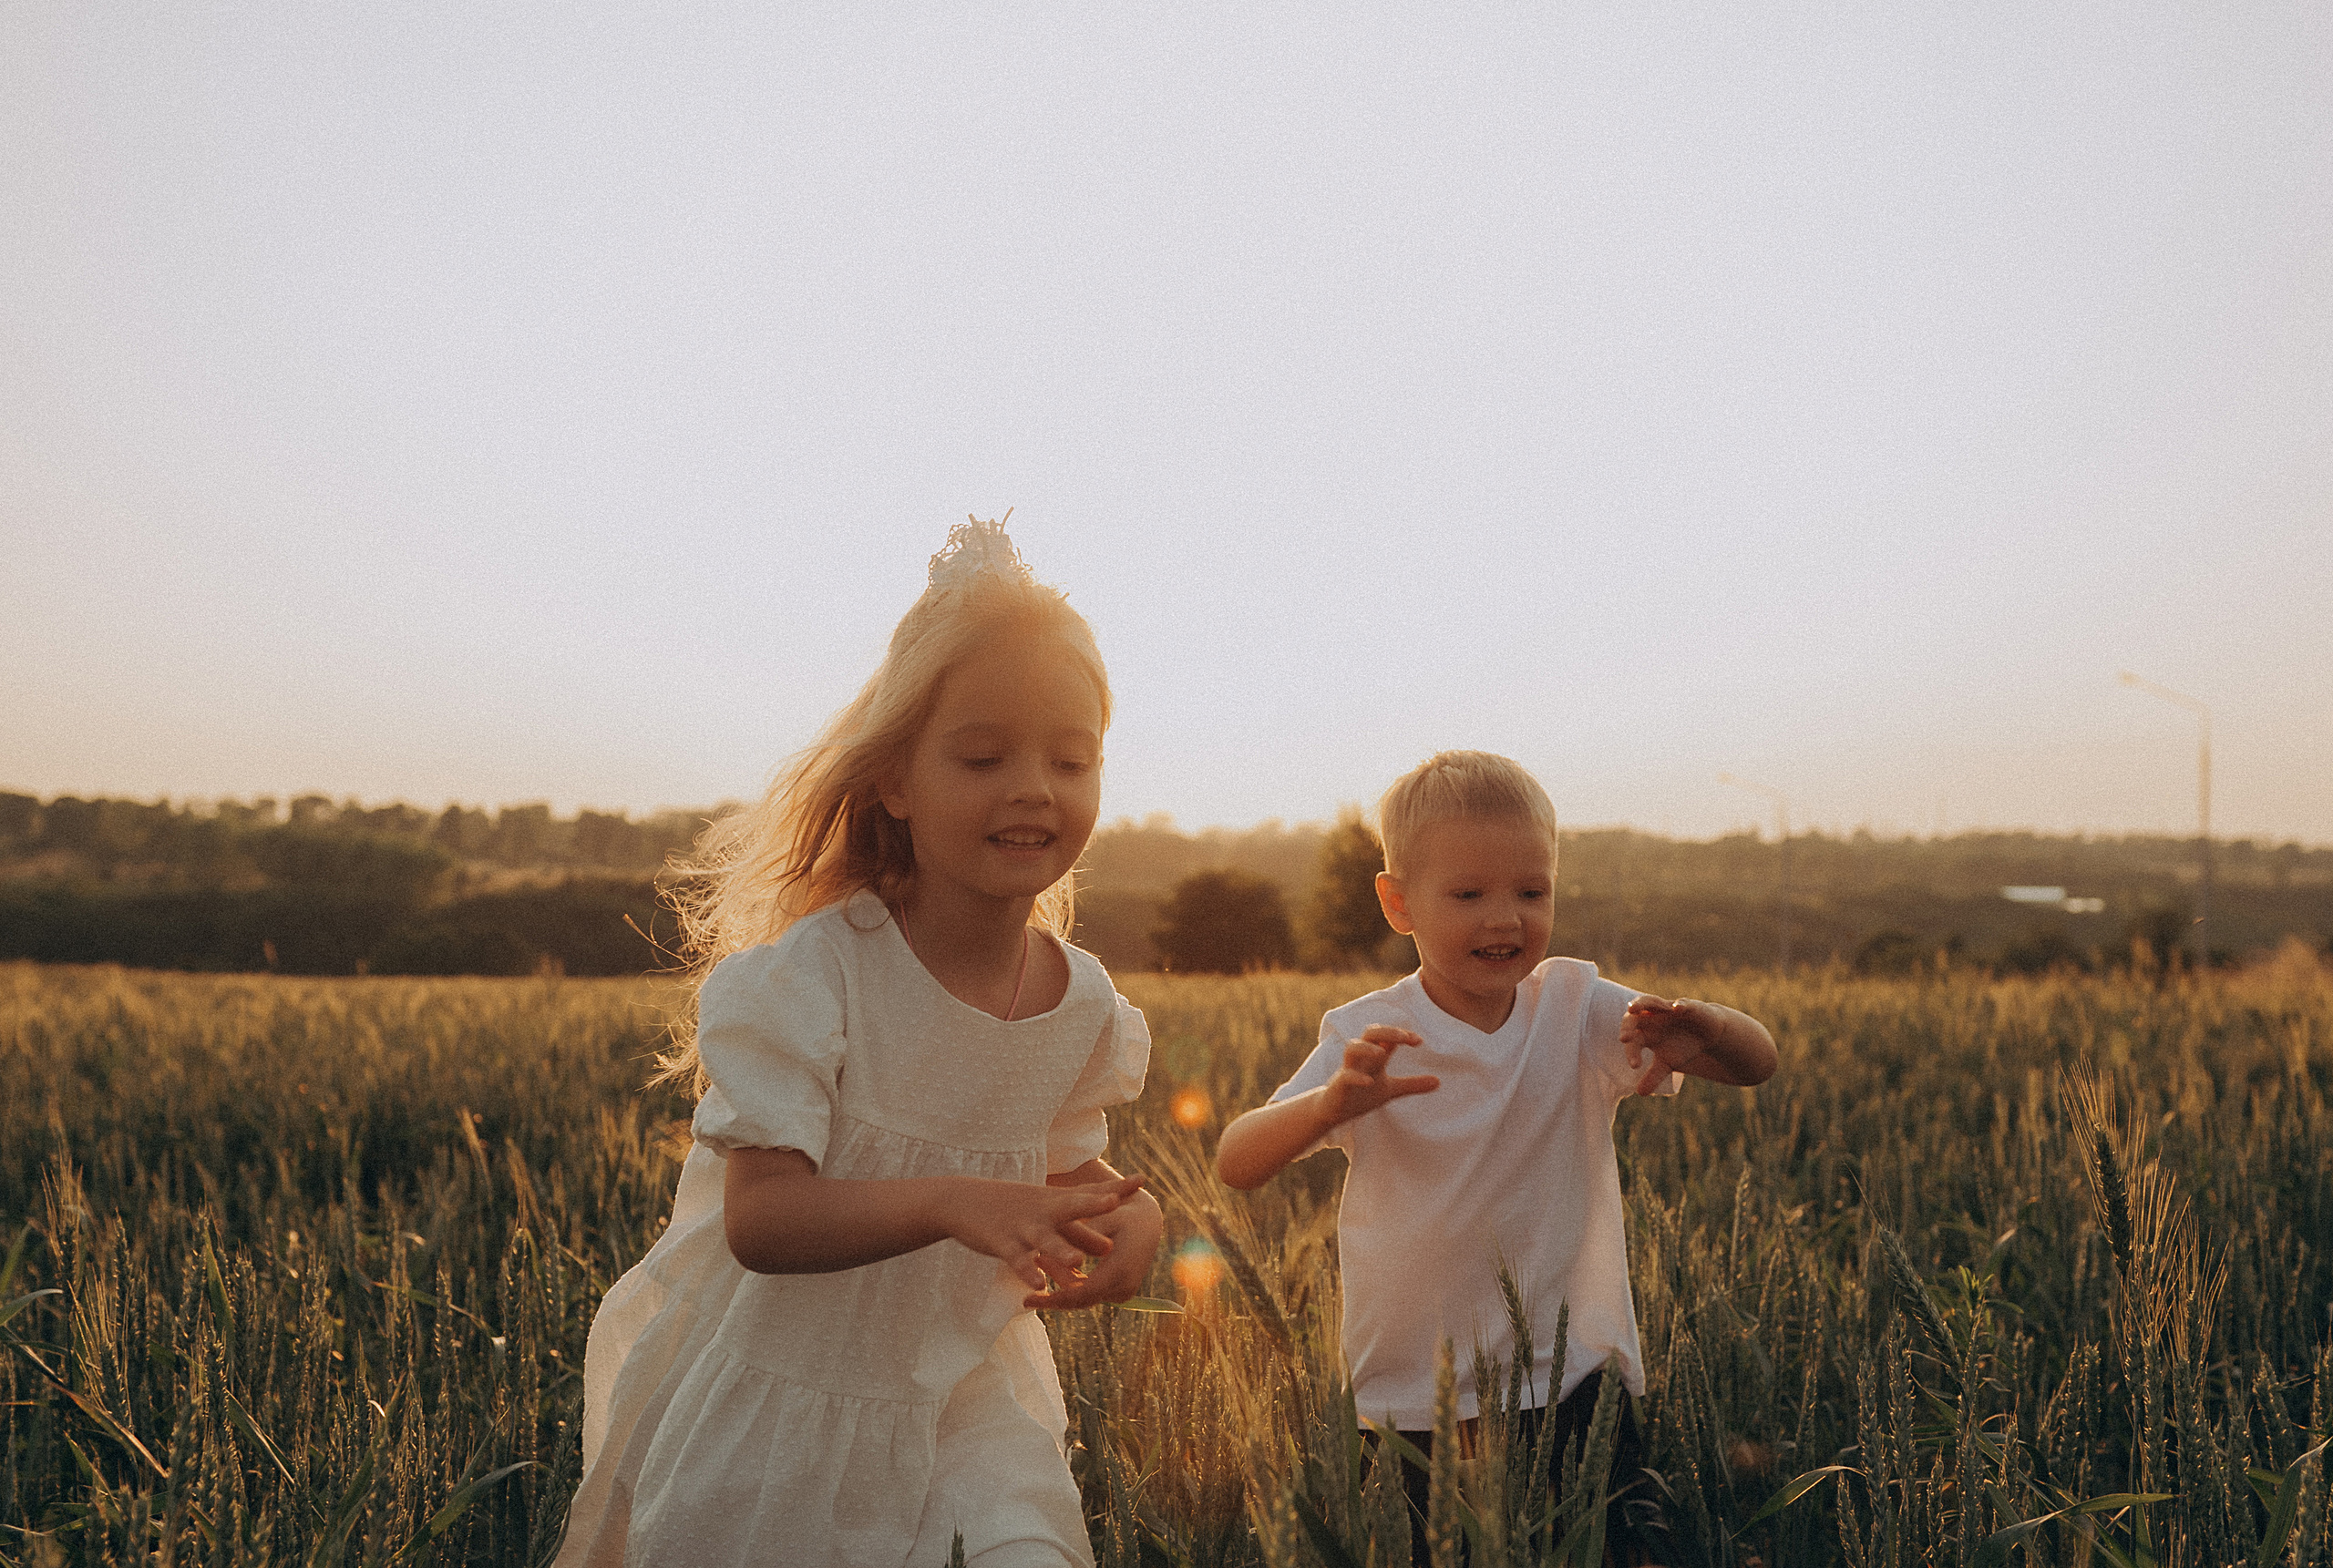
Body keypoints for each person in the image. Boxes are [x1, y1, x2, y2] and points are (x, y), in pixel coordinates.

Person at [556, 518, 1163, 1568]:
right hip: (786, 1401)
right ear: (894, 780)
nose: (1033, 786)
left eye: (1072, 759)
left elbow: (1060, 1169)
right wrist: (946, 1198)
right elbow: (765, 1218)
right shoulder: (817, 980)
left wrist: (1130, 1215)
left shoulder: (1081, 1006)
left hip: (968, 1393)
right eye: (982, 755)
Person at [1214, 751, 1777, 1565]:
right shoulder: (1365, 1034)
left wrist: (1709, 1025)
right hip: (1418, 1401)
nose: (1505, 918)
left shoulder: (1575, 1007)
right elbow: (1236, 1159)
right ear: (1397, 902)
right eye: (1469, 893)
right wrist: (1331, 1103)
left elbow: (1754, 1063)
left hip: (1575, 1382)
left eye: (1531, 891)